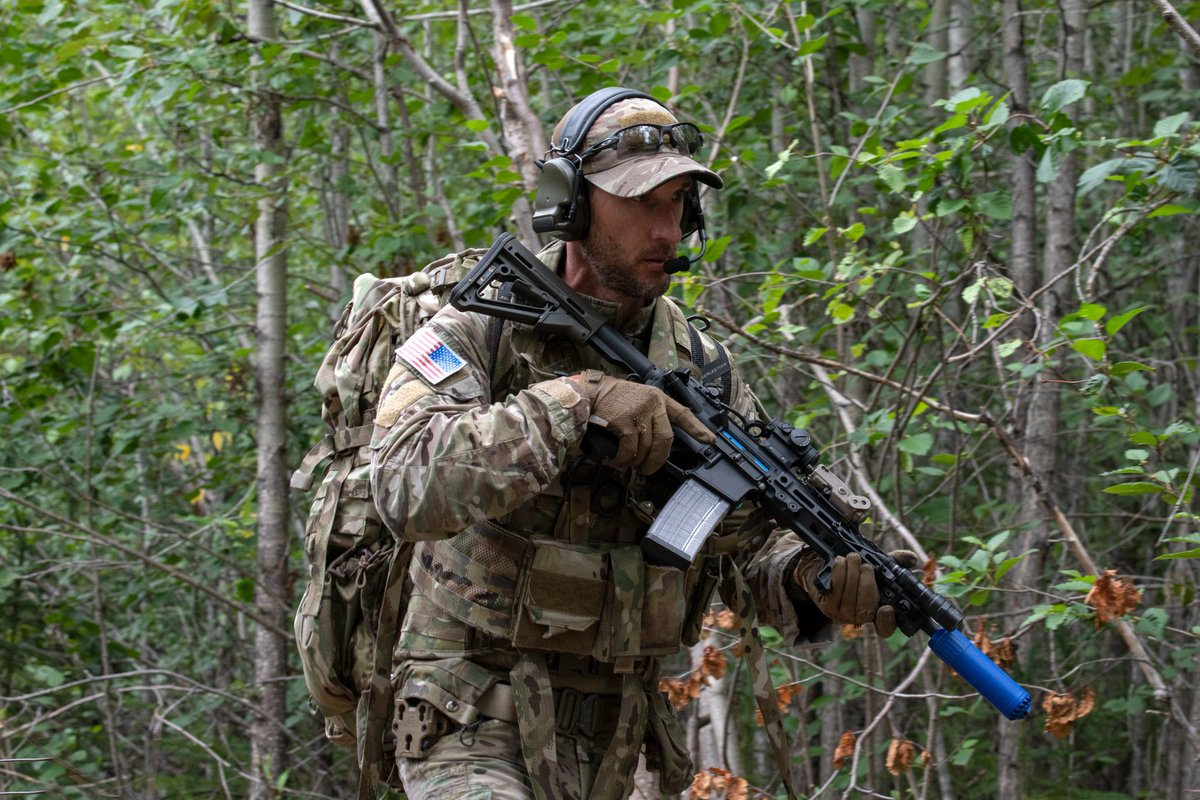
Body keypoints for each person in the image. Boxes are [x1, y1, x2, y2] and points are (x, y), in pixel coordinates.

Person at [369, 87, 912, 800]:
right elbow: (402, 485)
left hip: (623, 735)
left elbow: (739, 546)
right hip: (472, 709)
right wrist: (574, 403)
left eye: (679, 204)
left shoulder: (701, 366)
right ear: (569, 204)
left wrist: (811, 582)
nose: (668, 231)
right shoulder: (481, 327)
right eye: (642, 203)